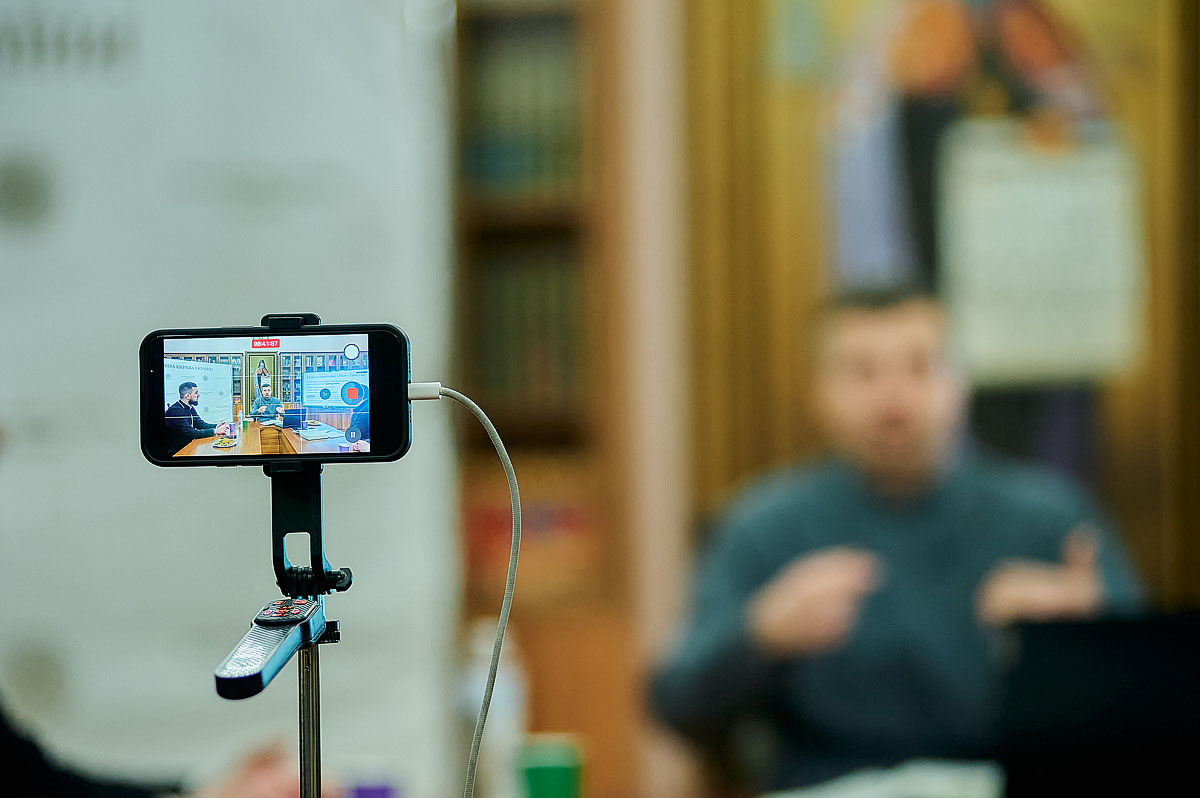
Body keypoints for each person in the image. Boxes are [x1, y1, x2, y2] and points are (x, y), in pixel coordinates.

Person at [648, 288, 1145, 791]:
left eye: (920, 367)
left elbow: (1151, 703)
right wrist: (761, 637)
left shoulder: (1049, 519)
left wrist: (1081, 641)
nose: (893, 399)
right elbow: (676, 705)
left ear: (961, 381)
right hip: (828, 782)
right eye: (862, 373)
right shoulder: (763, 526)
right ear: (819, 392)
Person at [164, 382, 229, 455]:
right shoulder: (176, 411)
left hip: (188, 447)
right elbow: (190, 433)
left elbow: (200, 424)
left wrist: (217, 426)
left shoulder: (189, 407)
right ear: (187, 396)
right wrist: (215, 431)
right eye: (196, 393)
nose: (198, 395)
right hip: (177, 452)